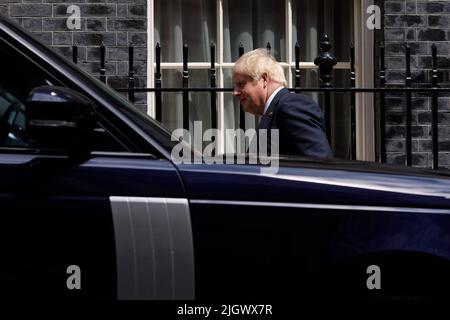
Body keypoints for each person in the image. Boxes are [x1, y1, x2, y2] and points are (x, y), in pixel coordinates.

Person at [233, 48, 333, 158]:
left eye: (241, 84)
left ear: (264, 79)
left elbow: (320, 163)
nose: (235, 92)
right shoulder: (276, 110)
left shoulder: (291, 106)